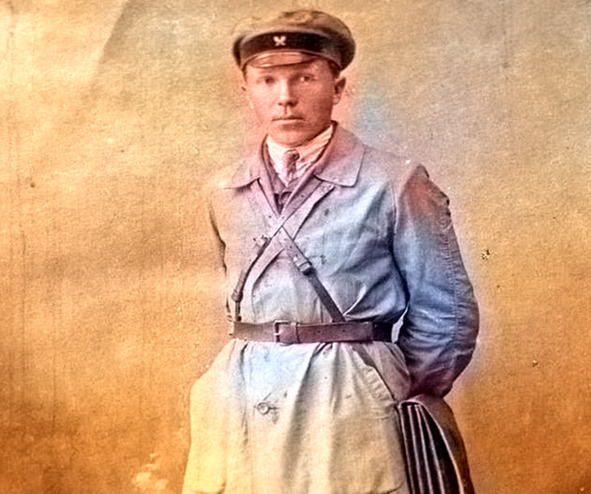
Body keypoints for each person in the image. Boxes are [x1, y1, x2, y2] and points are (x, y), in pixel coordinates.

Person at [182, 9, 478, 494]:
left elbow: (446, 316)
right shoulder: (223, 190)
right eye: (267, 80)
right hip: (241, 398)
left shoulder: (394, 182)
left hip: (349, 401)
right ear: (247, 91)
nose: (285, 96)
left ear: (337, 88)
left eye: (304, 77)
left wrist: (377, 385)